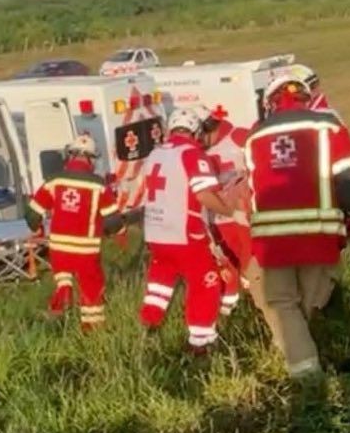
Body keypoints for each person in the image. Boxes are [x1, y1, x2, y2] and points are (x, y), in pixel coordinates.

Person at [242, 72, 350, 380]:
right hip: (320, 236)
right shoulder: (328, 127)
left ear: (270, 103)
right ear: (306, 97)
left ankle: (305, 373)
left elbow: (254, 195)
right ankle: (307, 353)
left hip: (273, 242)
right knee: (311, 300)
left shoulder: (253, 138)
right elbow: (348, 186)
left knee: (282, 303)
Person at [139, 108, 242, 355]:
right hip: (184, 233)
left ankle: (148, 325)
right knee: (205, 280)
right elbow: (204, 194)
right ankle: (201, 341)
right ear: (196, 131)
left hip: (155, 232)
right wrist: (229, 211)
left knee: (160, 280)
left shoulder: (154, 154)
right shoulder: (194, 155)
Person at [25, 135, 123, 331]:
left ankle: (64, 291)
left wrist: (35, 227)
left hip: (59, 246)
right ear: (91, 159)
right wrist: (118, 231)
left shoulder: (54, 180)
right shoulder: (98, 185)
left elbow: (32, 213)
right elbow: (112, 221)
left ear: (70, 156)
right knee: (91, 287)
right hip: (86, 249)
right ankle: (92, 329)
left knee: (62, 273)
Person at [198, 105, 251, 317]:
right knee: (227, 265)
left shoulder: (238, 136)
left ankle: (254, 305)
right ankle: (231, 309)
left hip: (243, 215)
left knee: (249, 261)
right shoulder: (200, 151)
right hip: (217, 219)